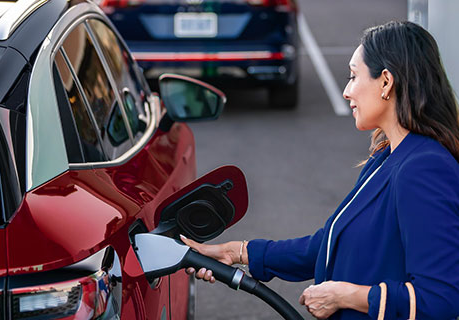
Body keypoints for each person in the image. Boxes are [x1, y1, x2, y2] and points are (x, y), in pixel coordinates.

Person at [181, 21, 459, 319]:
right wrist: (237, 253)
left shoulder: (424, 168)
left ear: (386, 82)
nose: (346, 91)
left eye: (354, 76)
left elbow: (440, 298)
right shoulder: (387, 156)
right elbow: (329, 244)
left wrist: (347, 296)